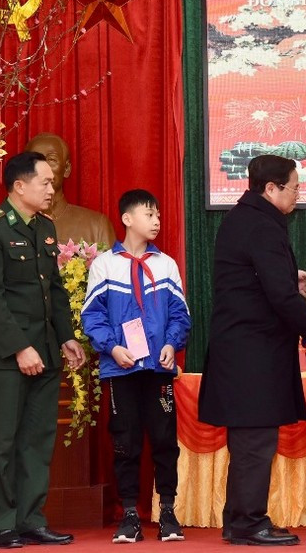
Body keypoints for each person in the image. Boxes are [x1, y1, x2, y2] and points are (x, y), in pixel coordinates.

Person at [198, 154, 306, 546]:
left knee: (248, 440)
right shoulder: (262, 225)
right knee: (255, 441)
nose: (299, 194)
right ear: (271, 189)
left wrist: (287, 277)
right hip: (253, 353)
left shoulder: (243, 219)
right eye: (295, 187)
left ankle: (238, 520)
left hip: (243, 349)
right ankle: (249, 522)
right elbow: (280, 298)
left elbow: (260, 282)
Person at [0, 151, 87, 549]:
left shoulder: (45, 228)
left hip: (47, 351)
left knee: (38, 439)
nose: (52, 189)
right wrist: (20, 348)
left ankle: (31, 519)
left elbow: (53, 288)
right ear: (20, 186)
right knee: (2, 440)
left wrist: (67, 336)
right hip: (7, 356)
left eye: (53, 182)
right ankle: (2, 523)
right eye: (45, 183)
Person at [81, 189, 191, 543]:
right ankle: (129, 514)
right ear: (127, 219)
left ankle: (169, 512)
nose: (156, 220)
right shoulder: (105, 265)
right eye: (149, 214)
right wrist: (112, 348)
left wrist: (172, 344)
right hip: (121, 370)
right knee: (125, 441)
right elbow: (91, 316)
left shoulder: (166, 265)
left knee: (164, 440)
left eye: (158, 214)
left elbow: (180, 315)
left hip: (158, 371)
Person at [25, 132, 116, 246]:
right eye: (35, 161)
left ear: (67, 168)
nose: (42, 169)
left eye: (52, 160)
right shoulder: (6, 226)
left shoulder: (97, 226)